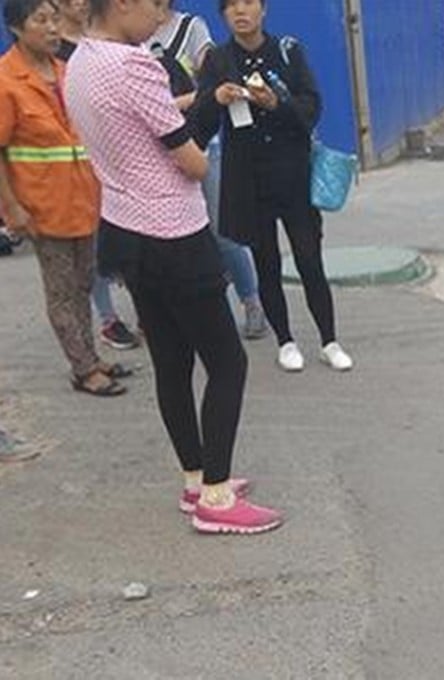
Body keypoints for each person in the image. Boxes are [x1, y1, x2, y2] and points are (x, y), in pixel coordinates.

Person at [65, 0, 282, 533]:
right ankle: (217, 498)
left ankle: (195, 481)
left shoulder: (80, 61)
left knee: (172, 362)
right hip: (172, 231)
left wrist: (202, 101)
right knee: (228, 362)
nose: (162, 17)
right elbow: (192, 160)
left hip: (123, 226)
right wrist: (208, 109)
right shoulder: (134, 64)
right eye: (157, 5)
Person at [193, 0, 353, 373]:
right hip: (247, 177)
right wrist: (214, 99)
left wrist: (275, 102)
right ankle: (286, 341)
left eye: (248, 3)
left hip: (292, 173)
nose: (240, 12)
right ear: (223, 16)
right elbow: (200, 124)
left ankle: (329, 340)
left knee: (309, 258)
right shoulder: (218, 60)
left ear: (263, 10)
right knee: (265, 263)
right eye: (231, 6)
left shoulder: (288, 51)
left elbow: (311, 107)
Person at [0, 0, 130, 397]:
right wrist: (11, 207)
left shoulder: (65, 72)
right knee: (60, 290)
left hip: (84, 200)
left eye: (55, 18)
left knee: (83, 284)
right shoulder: (7, 81)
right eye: (41, 19)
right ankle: (83, 369)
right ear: (17, 28)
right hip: (42, 205)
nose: (53, 27)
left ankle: (90, 356)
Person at [148, 0, 269, 341]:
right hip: (153, 149)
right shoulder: (127, 36)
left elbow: (211, 78)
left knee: (221, 230)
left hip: (199, 140)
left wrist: (174, 104)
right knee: (164, 234)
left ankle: (251, 302)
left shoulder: (190, 27)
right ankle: (178, 313)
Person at [55, 0, 142, 351]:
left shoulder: (107, 40)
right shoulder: (53, 47)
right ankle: (108, 318)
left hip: (114, 153)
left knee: (130, 235)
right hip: (75, 162)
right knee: (93, 245)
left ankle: (146, 312)